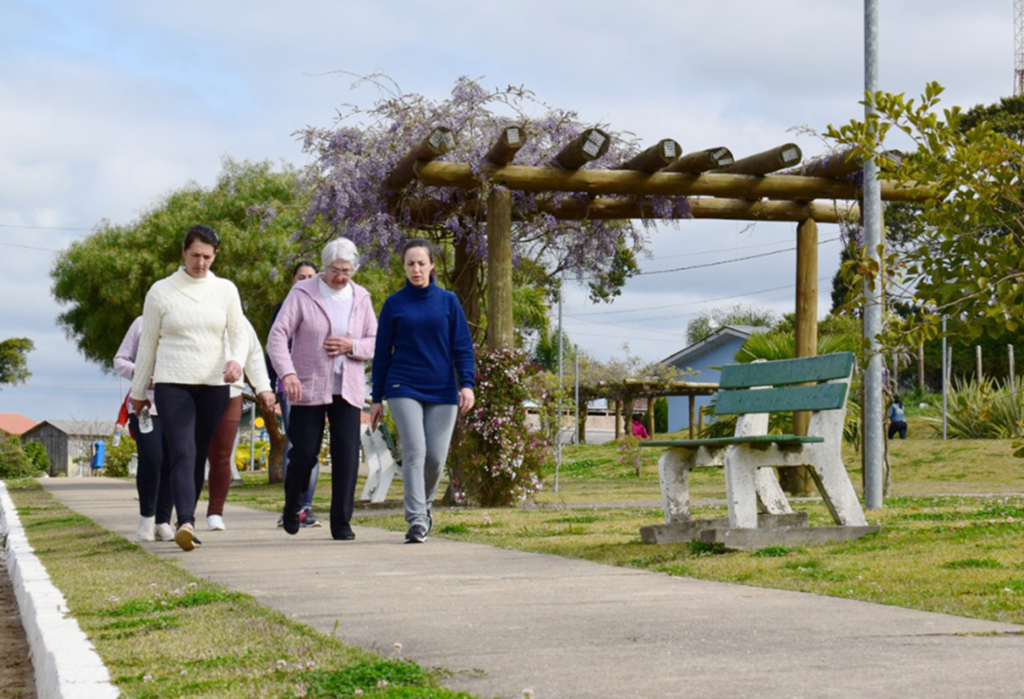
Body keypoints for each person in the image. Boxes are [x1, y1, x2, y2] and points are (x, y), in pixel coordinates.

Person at [129, 224, 247, 551]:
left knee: (197, 457)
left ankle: (184, 518)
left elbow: (239, 334)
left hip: (213, 386)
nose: (201, 263)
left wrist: (236, 360)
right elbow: (147, 346)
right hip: (172, 384)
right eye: (195, 255)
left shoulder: (226, 290)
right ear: (183, 252)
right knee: (182, 449)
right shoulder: (161, 291)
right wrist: (139, 393)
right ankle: (186, 522)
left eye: (207, 257)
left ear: (215, 256)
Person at [268, 238, 378, 539]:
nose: (341, 277)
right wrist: (288, 373)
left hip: (348, 387)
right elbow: (277, 337)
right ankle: (292, 505)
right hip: (309, 385)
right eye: (334, 270)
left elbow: (374, 341)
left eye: (347, 271)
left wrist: (350, 345)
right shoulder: (303, 292)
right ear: (324, 266)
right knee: (304, 453)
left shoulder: (361, 297)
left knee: (346, 455)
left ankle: (341, 523)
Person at [370, 238, 475, 544]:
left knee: (435, 459)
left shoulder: (449, 302)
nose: (416, 269)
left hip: (442, 389)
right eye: (410, 263)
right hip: (403, 385)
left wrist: (466, 384)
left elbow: (462, 347)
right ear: (403, 267)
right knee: (415, 451)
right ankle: (416, 519)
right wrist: (377, 398)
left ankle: (424, 507)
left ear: (431, 265)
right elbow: (381, 352)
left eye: (421, 263)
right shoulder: (394, 304)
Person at [204, 316, 275, 531]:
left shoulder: (238, 318)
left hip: (230, 392)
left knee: (222, 455)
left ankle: (215, 512)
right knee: (189, 453)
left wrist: (263, 387)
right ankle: (184, 514)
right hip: (192, 390)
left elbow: (252, 354)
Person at [267, 261, 323, 528]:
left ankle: (306, 507)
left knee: (312, 449)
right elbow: (273, 346)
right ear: (292, 280)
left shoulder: (324, 305)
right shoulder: (283, 308)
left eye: (311, 277)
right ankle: (293, 505)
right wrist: (272, 383)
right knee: (296, 445)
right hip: (289, 387)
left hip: (319, 386)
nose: (305, 281)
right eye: (301, 277)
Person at [115, 316, 175, 542]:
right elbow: (120, 360)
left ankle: (163, 521)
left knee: (171, 461)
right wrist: (141, 374)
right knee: (152, 458)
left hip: (177, 406)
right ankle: (146, 519)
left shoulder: (187, 322)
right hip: (144, 405)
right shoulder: (141, 323)